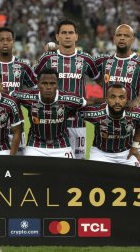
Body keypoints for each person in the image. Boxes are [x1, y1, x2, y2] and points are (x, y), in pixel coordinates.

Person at [34, 19, 100, 159]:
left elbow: (100, 80)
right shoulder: (47, 58)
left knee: (77, 167)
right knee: (51, 168)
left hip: (78, 122)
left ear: (76, 36)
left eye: (71, 33)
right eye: (64, 33)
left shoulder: (86, 59)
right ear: (57, 37)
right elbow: (33, 81)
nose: (67, 36)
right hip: (50, 122)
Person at [94, 24, 140, 165]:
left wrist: (135, 103)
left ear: (132, 40)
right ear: (114, 39)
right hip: (106, 124)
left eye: (126, 36)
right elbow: (82, 63)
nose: (122, 38)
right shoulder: (103, 61)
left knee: (136, 175)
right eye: (119, 35)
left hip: (132, 125)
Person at [12, 68, 88, 158]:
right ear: (38, 84)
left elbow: (87, 103)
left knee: (69, 171)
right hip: (35, 146)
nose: (48, 87)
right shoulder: (29, 97)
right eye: (44, 83)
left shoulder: (68, 99)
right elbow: (8, 95)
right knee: (29, 171)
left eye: (52, 83)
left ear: (57, 85)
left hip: (62, 146)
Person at [79, 84, 140, 167]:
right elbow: (73, 110)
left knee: (137, 178)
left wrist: (135, 145)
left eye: (121, 97)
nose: (117, 101)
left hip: (127, 153)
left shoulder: (135, 113)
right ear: (106, 99)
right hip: (101, 154)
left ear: (127, 100)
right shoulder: (95, 113)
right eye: (112, 97)